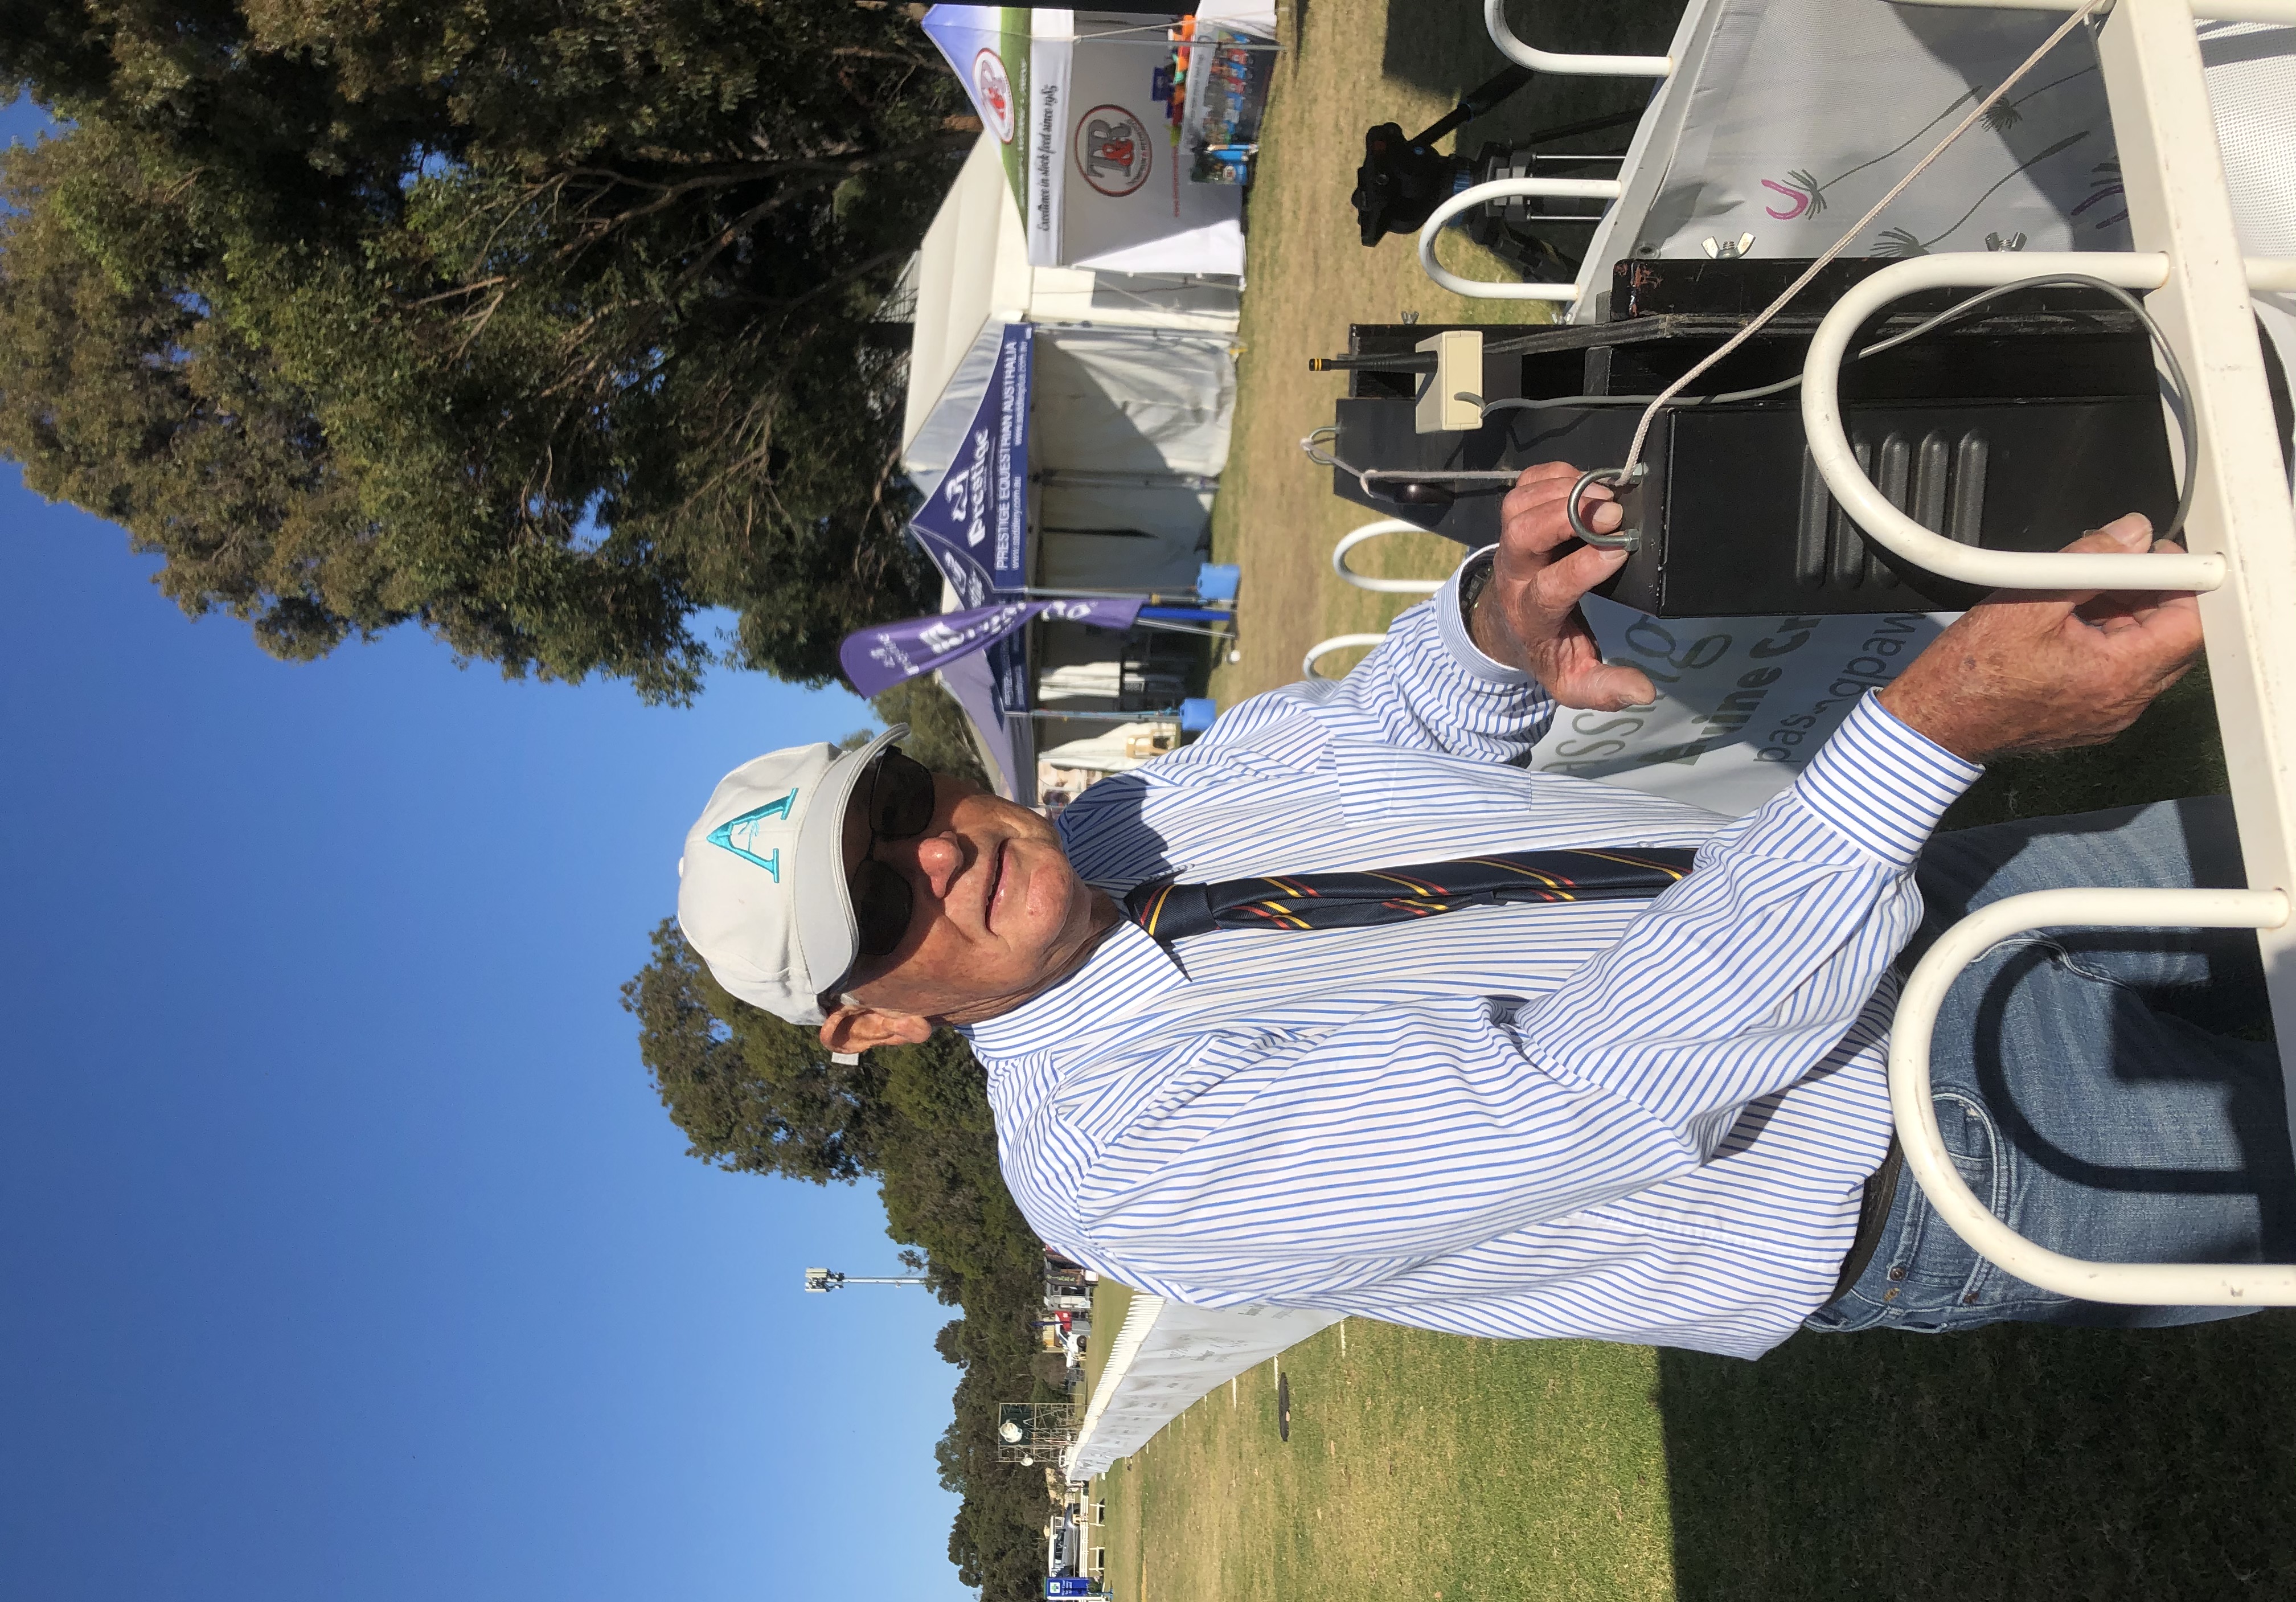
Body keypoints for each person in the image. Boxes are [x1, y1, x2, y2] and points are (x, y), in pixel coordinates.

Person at [673, 464, 2293, 1359]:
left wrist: (1493, 617)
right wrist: (1930, 727)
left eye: (897, 813)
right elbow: (1583, 1091)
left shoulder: (1121, 819)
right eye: (876, 917)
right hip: (1926, 1150)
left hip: (1902, 891)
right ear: (873, 1021)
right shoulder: (1107, 1164)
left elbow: (1387, 738)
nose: (932, 864)